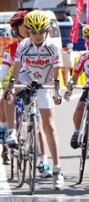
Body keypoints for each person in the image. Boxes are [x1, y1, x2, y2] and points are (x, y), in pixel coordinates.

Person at [6, 11, 65, 189]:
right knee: (8, 94)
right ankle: (12, 131)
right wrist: (12, 88)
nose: (38, 36)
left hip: (44, 82)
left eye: (41, 32)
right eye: (33, 32)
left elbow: (56, 74)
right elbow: (17, 69)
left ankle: (57, 168)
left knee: (49, 125)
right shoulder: (24, 44)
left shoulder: (53, 47)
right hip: (26, 77)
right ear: (28, 32)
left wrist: (56, 92)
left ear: (47, 31)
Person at [0, 10, 28, 151]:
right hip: (18, 82)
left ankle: (43, 160)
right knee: (5, 96)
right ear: (16, 29)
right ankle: (6, 129)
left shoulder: (39, 44)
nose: (29, 28)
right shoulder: (12, 48)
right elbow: (4, 69)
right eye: (25, 25)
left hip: (35, 83)